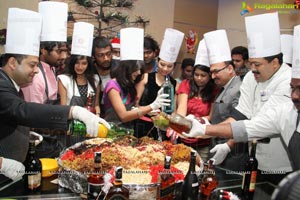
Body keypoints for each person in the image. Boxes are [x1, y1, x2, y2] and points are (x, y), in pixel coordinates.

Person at [181, 12, 293, 184]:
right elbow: (240, 115)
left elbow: (262, 124)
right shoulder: (250, 78)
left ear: (275, 63)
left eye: (257, 65)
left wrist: (207, 130)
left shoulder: (288, 81)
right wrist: (220, 137)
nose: (252, 69)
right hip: (254, 158)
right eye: (251, 63)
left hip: (282, 165)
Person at [0, 8, 110, 165]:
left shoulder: (14, 84)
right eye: (32, 65)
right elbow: (21, 110)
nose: (36, 70)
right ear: (12, 63)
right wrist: (73, 111)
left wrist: (25, 135)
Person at [103, 28, 170, 130]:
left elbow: (134, 109)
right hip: (111, 132)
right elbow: (124, 116)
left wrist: (150, 109)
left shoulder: (129, 85)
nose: (139, 73)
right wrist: (152, 106)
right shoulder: (112, 86)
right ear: (126, 68)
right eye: (136, 69)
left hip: (127, 133)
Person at [200, 30, 245, 170]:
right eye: (211, 72)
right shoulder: (223, 87)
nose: (213, 76)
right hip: (217, 147)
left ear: (230, 68)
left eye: (216, 71)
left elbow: (242, 122)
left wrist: (228, 145)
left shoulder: (239, 89)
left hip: (232, 154)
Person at [136, 28, 184, 140]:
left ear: (174, 67)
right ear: (157, 61)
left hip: (164, 129)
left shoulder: (175, 84)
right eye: (162, 64)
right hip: (143, 126)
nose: (165, 69)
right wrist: (149, 109)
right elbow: (135, 104)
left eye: (169, 66)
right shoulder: (145, 78)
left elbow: (174, 110)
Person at [174, 39, 216, 162]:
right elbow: (181, 109)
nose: (199, 78)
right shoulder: (186, 84)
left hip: (203, 139)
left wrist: (197, 121)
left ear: (210, 76)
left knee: (200, 169)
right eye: (196, 74)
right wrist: (181, 122)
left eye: (203, 76)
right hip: (184, 137)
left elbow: (211, 116)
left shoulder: (214, 90)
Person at [21, 1, 68, 105]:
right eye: (59, 52)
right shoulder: (35, 77)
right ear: (43, 50)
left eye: (65, 51)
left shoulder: (52, 68)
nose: (64, 56)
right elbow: (32, 114)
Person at [57, 22, 100, 115]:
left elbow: (96, 105)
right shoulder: (64, 80)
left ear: (89, 64)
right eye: (77, 63)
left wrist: (97, 116)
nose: (80, 67)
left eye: (84, 63)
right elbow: (63, 108)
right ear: (72, 62)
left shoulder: (95, 80)